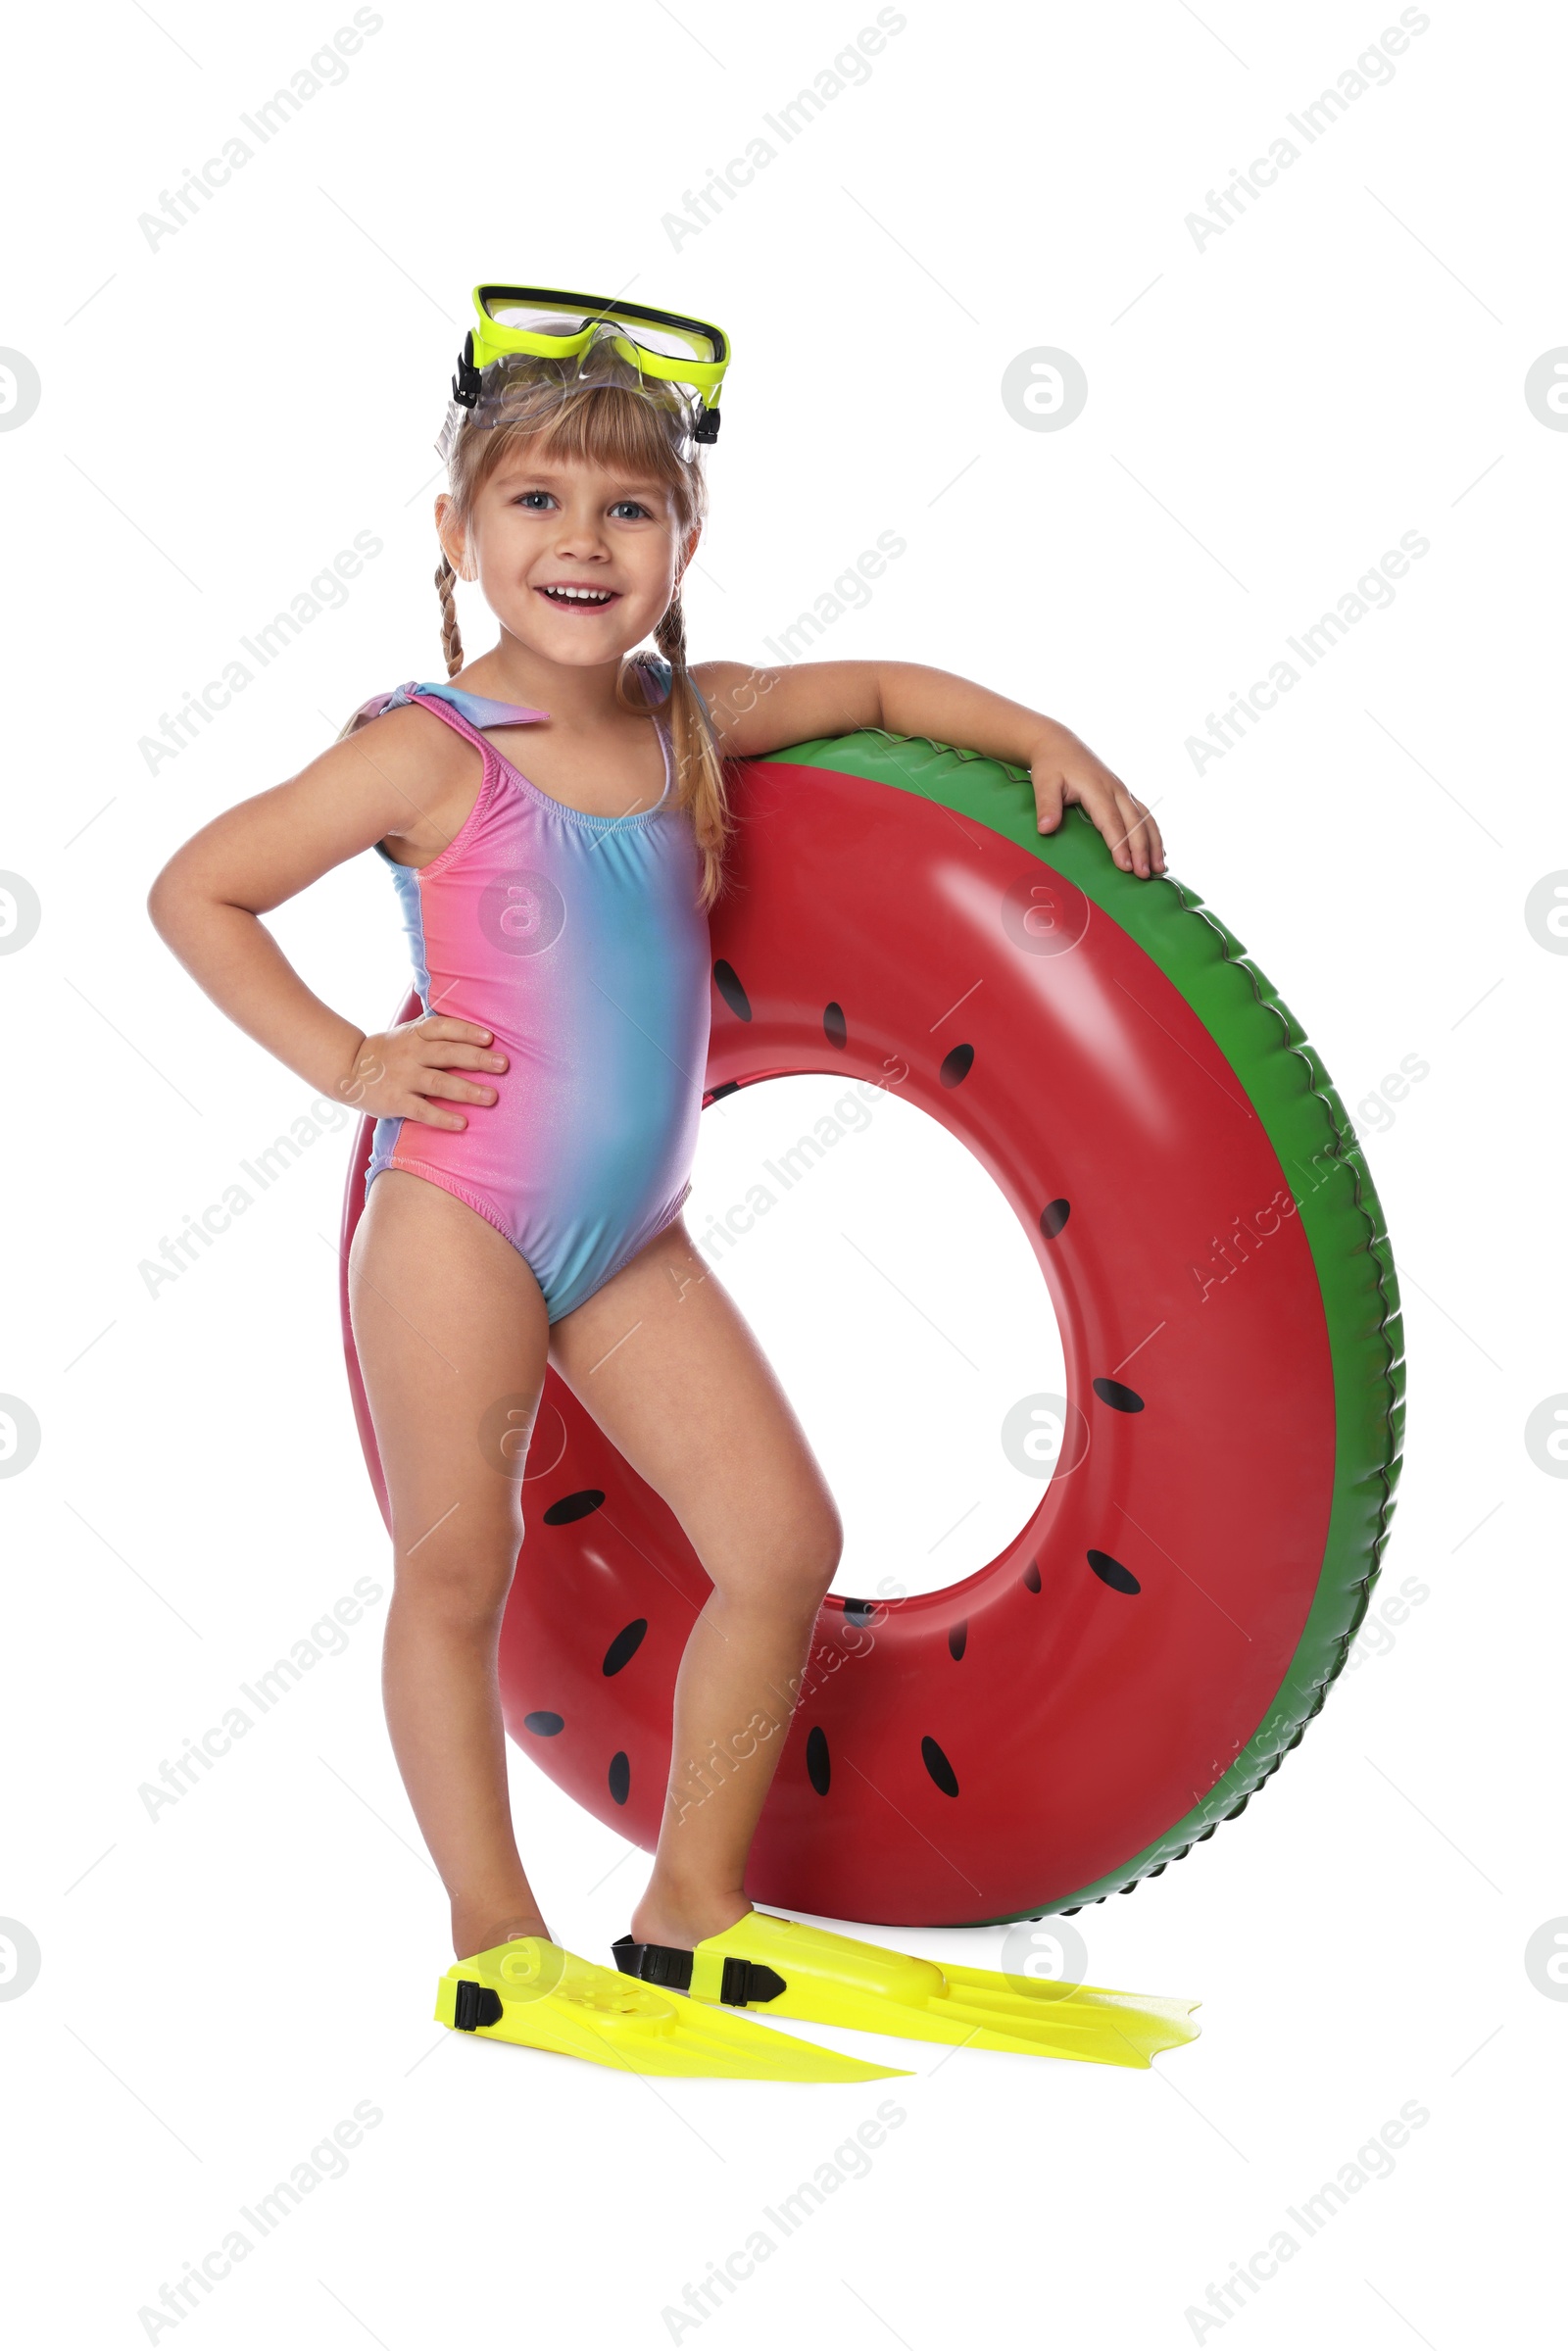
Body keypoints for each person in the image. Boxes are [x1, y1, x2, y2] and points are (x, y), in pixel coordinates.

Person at [147, 288, 1169, 2060]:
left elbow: (871, 685)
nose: (582, 540)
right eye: (536, 501)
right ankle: (494, 1938)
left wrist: (1039, 738)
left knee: (780, 1542)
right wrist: (351, 1065)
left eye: (628, 508)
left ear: (686, 541)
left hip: (629, 1235)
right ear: (457, 534)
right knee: (455, 1574)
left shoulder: (691, 724)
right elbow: (196, 888)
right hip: (459, 1211)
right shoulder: (429, 748)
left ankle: (690, 1904)